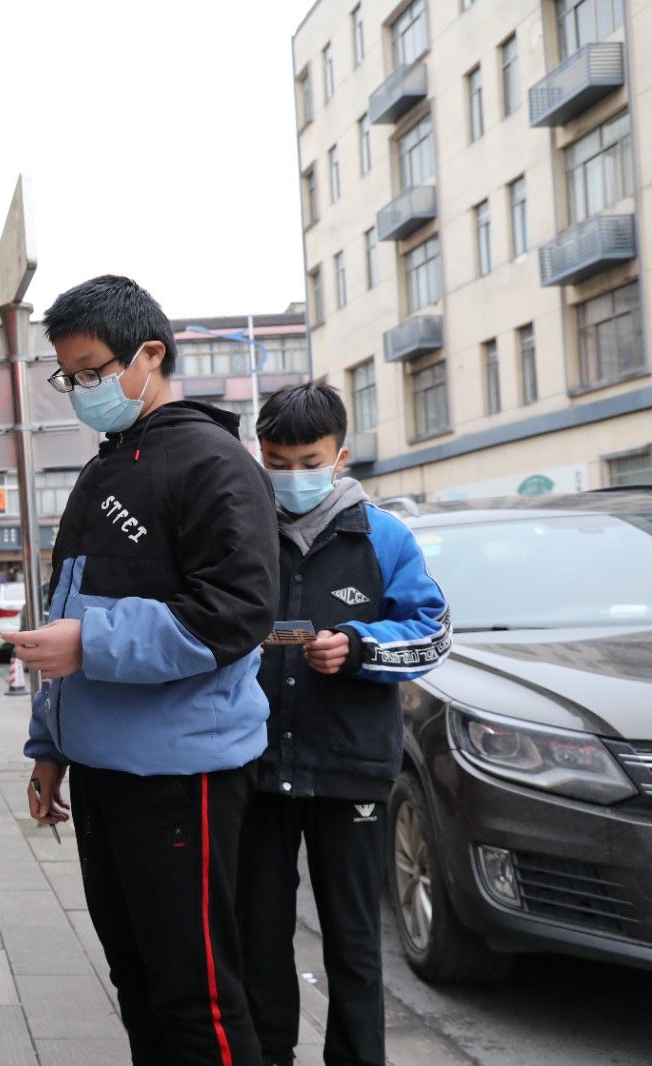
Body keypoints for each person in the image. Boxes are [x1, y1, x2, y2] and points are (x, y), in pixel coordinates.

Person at [5, 275, 278, 1065]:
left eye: (92, 371)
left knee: (197, 997)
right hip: (101, 766)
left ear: (149, 354)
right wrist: (49, 747)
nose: (81, 390)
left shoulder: (215, 463)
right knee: (135, 980)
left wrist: (89, 645)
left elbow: (235, 613)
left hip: (181, 772)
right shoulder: (108, 463)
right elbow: (72, 602)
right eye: (70, 376)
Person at [237, 384, 450, 1066]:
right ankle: (269, 1055)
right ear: (257, 454)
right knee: (259, 937)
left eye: (308, 460)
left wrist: (357, 647)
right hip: (256, 767)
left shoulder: (384, 536)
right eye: (277, 459)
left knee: (354, 945)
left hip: (350, 768)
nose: (292, 475)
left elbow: (433, 633)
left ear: (341, 456)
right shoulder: (241, 529)